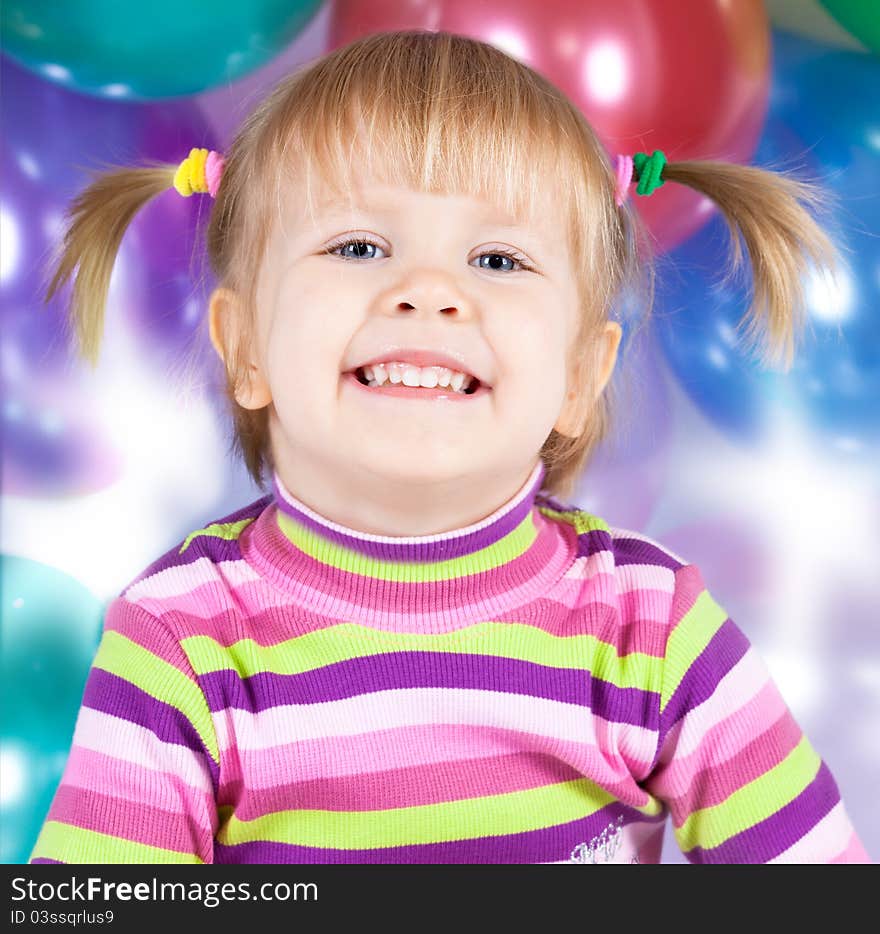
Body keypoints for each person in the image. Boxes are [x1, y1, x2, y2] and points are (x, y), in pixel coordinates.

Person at [29, 30, 869, 865]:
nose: (428, 292)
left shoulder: (649, 627)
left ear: (580, 375)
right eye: (357, 246)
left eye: (498, 258)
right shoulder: (181, 636)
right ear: (246, 346)